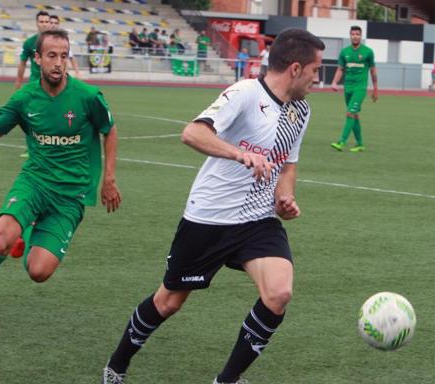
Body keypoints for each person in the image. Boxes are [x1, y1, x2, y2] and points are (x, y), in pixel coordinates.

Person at [102, 28, 325, 384]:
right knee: (168, 302)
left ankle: (227, 380)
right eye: (316, 70)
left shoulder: (300, 111)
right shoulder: (245, 93)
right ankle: (116, 367)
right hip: (210, 218)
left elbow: (288, 164)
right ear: (295, 68)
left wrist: (285, 196)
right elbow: (192, 133)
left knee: (278, 292)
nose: (319, 79)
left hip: (257, 221)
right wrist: (241, 154)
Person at [0, 29, 122, 335]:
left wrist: (108, 179)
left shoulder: (88, 97)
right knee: (1, 239)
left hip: (71, 194)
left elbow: (110, 130)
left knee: (38, 272)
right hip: (35, 181)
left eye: (64, 56)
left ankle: (26, 236)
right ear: (37, 58)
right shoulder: (24, 99)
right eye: (51, 55)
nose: (58, 63)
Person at [330, 25, 378, 153]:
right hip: (348, 88)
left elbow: (373, 71)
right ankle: (360, 144)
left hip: (360, 88)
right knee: (354, 115)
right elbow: (340, 69)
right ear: (350, 36)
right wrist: (334, 82)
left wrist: (375, 89)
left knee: (350, 113)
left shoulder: (368, 52)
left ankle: (341, 142)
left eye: (357, 34)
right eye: (353, 34)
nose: (355, 36)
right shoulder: (344, 52)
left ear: (361, 36)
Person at [14, 11, 50, 90]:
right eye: (41, 22)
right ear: (37, 23)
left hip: (52, 82)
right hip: (35, 83)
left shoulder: (57, 42)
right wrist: (19, 80)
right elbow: (23, 63)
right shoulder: (29, 42)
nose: (44, 24)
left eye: (46, 22)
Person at [49, 14, 80, 78]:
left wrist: (77, 72)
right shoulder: (42, 39)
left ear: (58, 25)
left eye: (56, 23)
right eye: (51, 23)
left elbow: (71, 57)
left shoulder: (63, 39)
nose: (53, 25)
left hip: (62, 74)